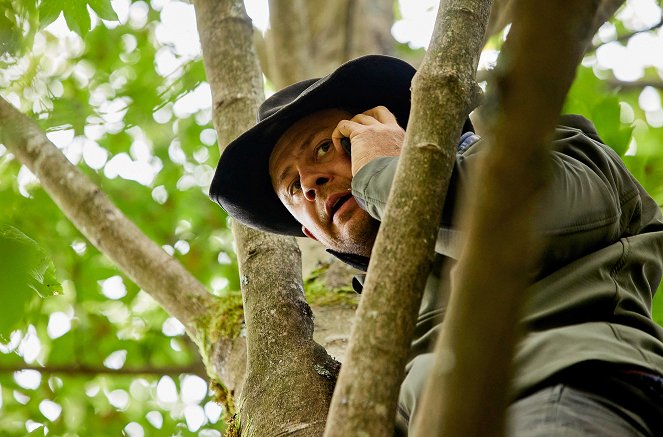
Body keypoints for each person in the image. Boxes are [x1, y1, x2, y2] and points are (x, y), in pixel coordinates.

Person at [209, 55, 663, 436]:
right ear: (309, 233)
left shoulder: (528, 151)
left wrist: (386, 171)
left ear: (391, 132)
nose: (310, 183)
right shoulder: (381, 327)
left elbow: (531, 219)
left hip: (563, 393)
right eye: (292, 188)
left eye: (324, 148)